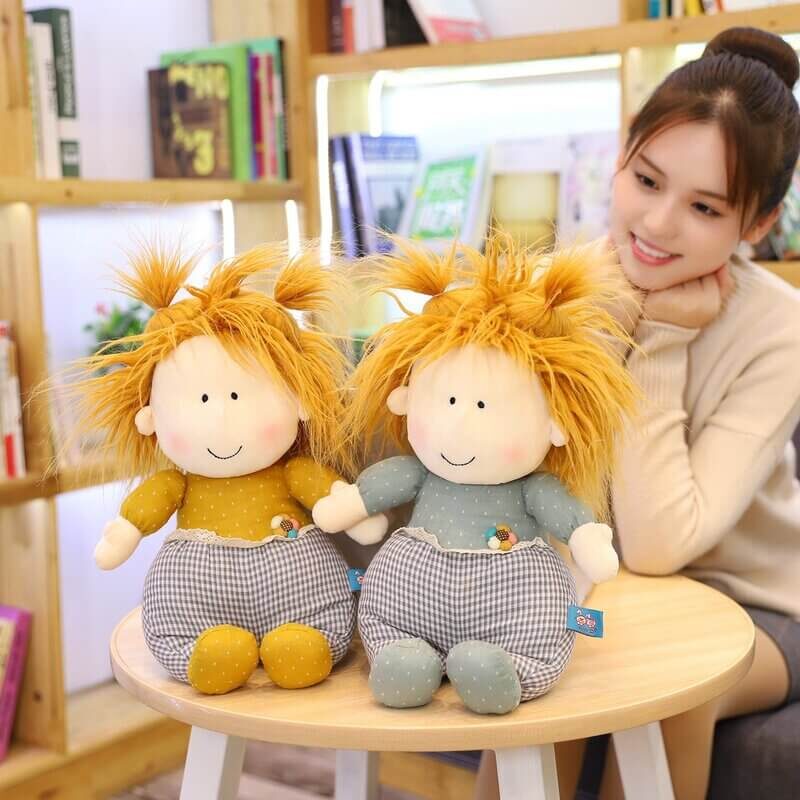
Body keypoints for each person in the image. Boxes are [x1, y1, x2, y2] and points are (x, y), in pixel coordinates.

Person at [475, 25, 800, 800]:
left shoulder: (779, 329)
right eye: (646, 181)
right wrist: (606, 313)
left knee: (666, 694)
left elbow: (659, 544)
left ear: (756, 224)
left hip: (752, 605)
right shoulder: (555, 291)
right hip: (587, 591)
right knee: (540, 674)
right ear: (621, 155)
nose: (656, 226)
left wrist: (656, 344)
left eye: (704, 207)